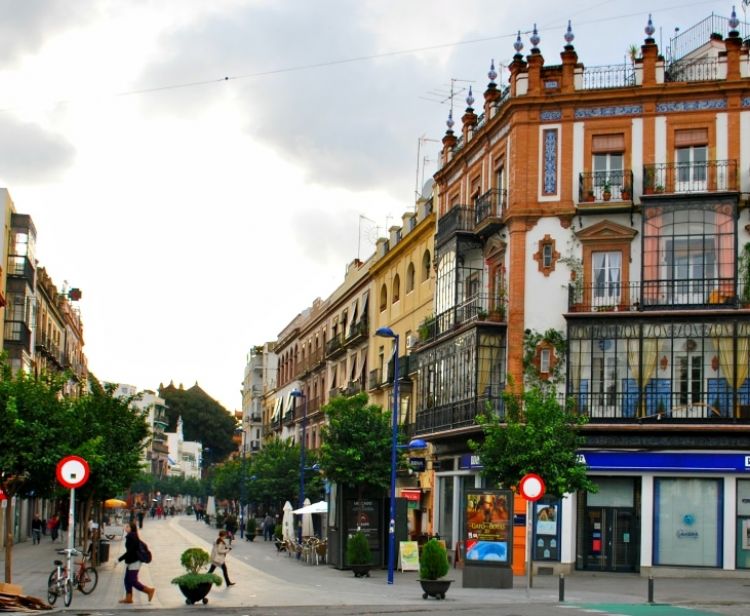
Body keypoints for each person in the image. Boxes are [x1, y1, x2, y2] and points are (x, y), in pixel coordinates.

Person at [117, 521, 155, 604]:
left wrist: (119, 559)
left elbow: (130, 552)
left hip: (135, 561)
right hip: (131, 560)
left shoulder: (132, 537)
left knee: (132, 580)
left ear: (132, 528)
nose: (125, 528)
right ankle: (128, 598)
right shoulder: (131, 536)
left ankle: (149, 590)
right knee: (127, 580)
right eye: (126, 526)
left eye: (127, 527)